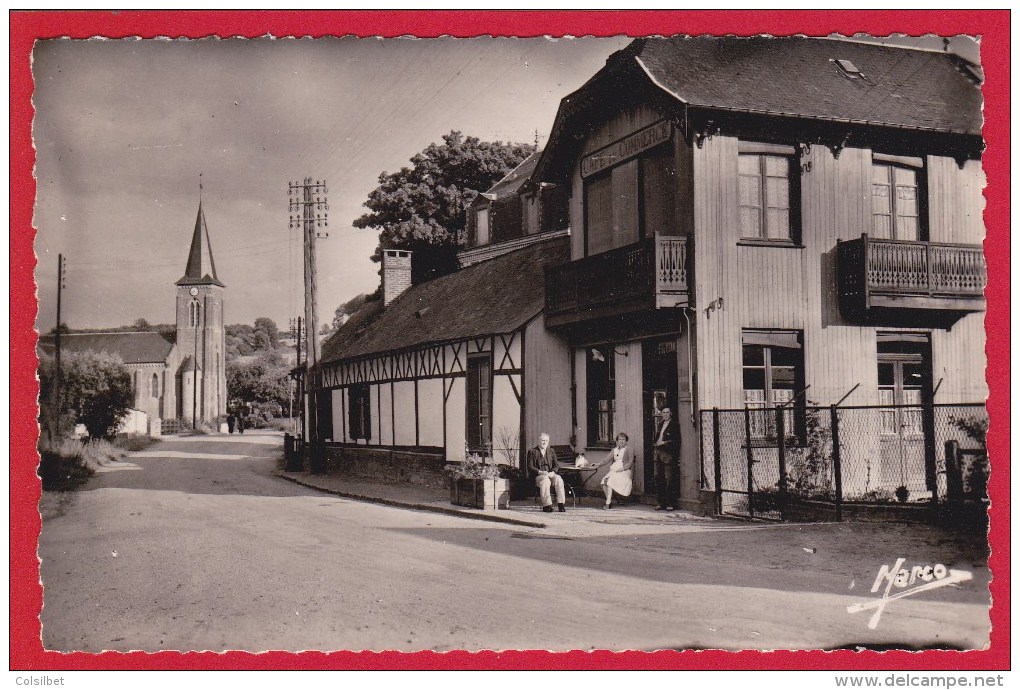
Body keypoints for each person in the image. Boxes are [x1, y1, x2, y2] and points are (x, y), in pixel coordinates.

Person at [593, 432, 634, 509]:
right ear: (617, 441)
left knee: (610, 480)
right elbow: (606, 460)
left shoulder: (629, 449)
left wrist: (622, 469)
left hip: (624, 471)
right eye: (620, 439)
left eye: (623, 439)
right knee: (604, 481)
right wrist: (598, 464)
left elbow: (630, 462)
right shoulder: (614, 450)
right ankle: (609, 501)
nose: (621, 441)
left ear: (626, 441)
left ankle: (608, 503)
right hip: (614, 471)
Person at [526, 432, 566, 513]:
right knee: (545, 480)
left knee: (559, 479)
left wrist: (553, 472)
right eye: (542, 440)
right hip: (539, 476)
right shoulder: (532, 451)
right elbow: (530, 467)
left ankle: (561, 504)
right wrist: (541, 472)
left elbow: (556, 465)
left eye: (546, 441)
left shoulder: (551, 451)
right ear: (538, 441)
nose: (544, 442)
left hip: (550, 474)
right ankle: (547, 505)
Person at [653, 407, 680, 511]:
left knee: (668, 478)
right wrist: (655, 444)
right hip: (658, 452)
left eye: (667, 412)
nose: (665, 414)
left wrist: (664, 443)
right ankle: (660, 503)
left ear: (671, 413)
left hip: (667, 453)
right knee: (657, 477)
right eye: (663, 412)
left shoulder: (674, 425)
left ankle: (670, 503)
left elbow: (677, 440)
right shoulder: (660, 424)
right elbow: (656, 437)